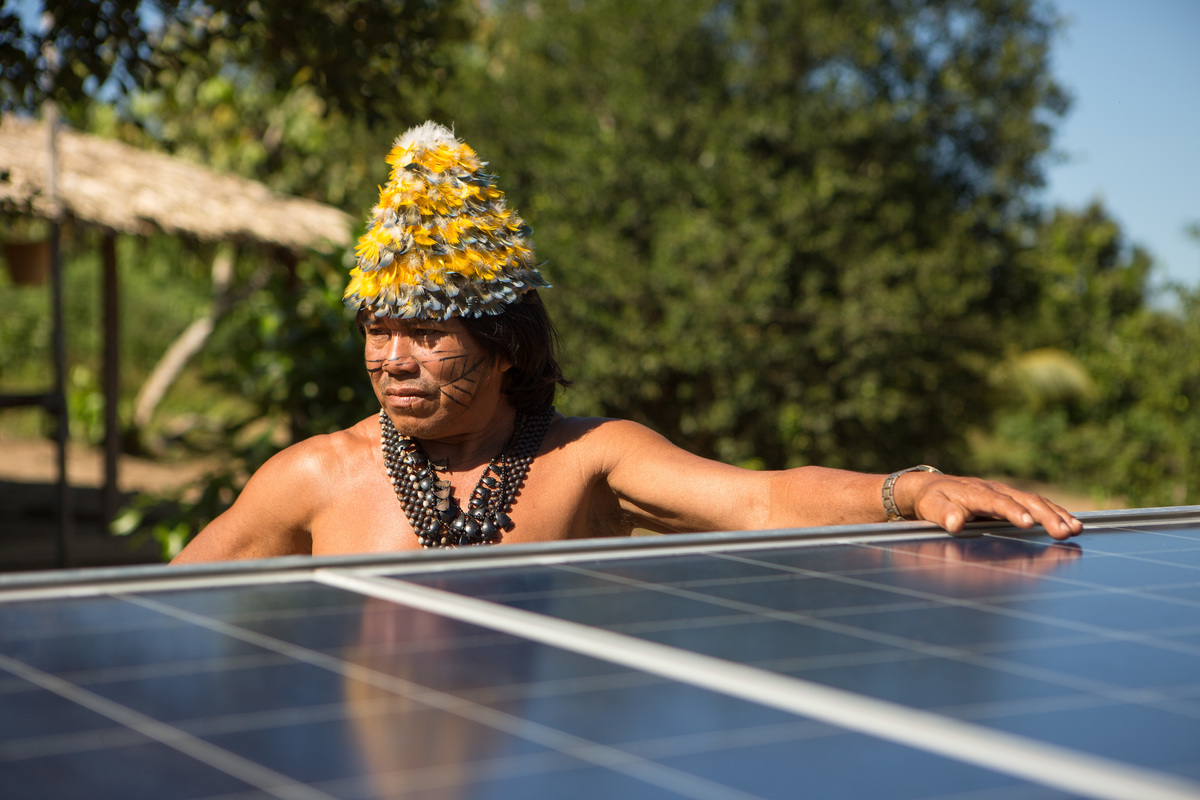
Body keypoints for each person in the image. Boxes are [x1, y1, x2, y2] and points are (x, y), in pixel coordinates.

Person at [171, 122, 1081, 564]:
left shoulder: (588, 458)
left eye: (427, 333)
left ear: (507, 348)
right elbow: (159, 610)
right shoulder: (315, 477)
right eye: (378, 330)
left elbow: (761, 503)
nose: (392, 360)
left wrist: (907, 488)